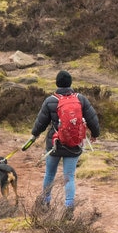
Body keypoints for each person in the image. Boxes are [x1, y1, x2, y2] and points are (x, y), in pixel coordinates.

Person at [27, 70, 100, 216]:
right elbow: (92, 119)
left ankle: (45, 202)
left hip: (54, 144)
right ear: (70, 83)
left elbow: (41, 122)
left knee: (49, 174)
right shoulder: (81, 99)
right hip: (73, 145)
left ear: (57, 83)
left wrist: (34, 135)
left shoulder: (50, 101)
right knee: (69, 177)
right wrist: (95, 134)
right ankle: (69, 207)